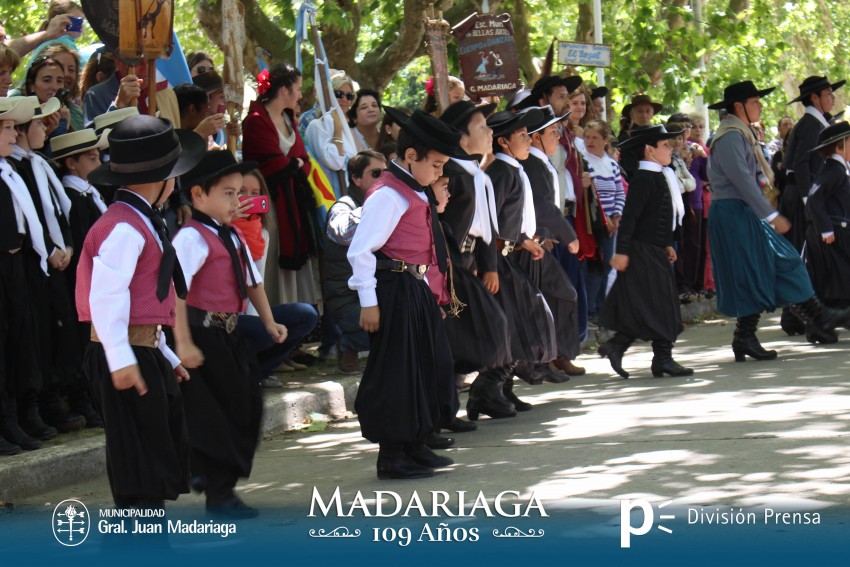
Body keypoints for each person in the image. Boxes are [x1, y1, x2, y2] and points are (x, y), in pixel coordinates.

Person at [77, 114, 205, 508]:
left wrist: (163, 353)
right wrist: (120, 360)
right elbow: (107, 298)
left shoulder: (139, 219)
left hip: (140, 349)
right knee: (138, 466)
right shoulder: (123, 227)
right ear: (161, 179)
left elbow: (140, 301)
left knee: (154, 455)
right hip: (123, 352)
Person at [346, 109, 473, 479]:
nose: (438, 173)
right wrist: (369, 303)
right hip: (393, 288)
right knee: (398, 371)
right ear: (412, 155)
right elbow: (361, 250)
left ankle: (415, 442)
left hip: (414, 287)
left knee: (424, 366)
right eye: (435, 165)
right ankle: (392, 454)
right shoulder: (388, 195)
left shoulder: (413, 190)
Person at [171, 150, 285, 517]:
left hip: (229, 334)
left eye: (239, 193)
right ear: (198, 195)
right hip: (202, 335)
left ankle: (210, 475)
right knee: (216, 416)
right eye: (228, 193)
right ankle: (218, 491)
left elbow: (253, 282)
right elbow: (175, 291)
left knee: (246, 404)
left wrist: (268, 322)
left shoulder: (232, 236)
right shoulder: (191, 238)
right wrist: (183, 343)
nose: (237, 201)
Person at [706, 80, 850, 360]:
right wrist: (772, 215)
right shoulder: (730, 136)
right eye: (755, 101)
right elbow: (742, 181)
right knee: (751, 269)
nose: (760, 105)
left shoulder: (741, 133)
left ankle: (816, 316)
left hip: (744, 210)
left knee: (786, 260)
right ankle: (747, 336)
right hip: (733, 211)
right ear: (739, 106)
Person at [598, 125, 692, 379]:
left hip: (654, 248)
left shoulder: (657, 176)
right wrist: (622, 251)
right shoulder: (643, 179)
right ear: (649, 150)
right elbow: (630, 218)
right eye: (665, 145)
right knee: (659, 303)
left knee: (656, 302)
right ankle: (660, 357)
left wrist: (666, 243)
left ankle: (623, 347)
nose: (671, 149)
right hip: (641, 251)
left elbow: (657, 217)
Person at [242, 63, 318, 305]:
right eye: (298, 88)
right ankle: (272, 310)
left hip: (293, 201)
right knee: (271, 250)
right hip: (267, 203)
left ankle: (297, 309)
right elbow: (271, 164)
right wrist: (293, 164)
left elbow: (303, 161)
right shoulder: (255, 120)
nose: (300, 95)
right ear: (284, 90)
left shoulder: (287, 118)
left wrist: (292, 164)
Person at [520, 105, 584, 377]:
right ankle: (546, 357)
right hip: (532, 244)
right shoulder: (532, 165)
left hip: (543, 240)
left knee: (557, 295)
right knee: (556, 295)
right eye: (552, 132)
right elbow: (541, 205)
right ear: (535, 137)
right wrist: (564, 234)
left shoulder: (540, 163)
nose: (558, 136)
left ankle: (555, 355)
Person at [0, 97, 46, 455]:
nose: (14, 134)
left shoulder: (9, 171)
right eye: (6, 128)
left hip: (15, 265)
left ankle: (14, 418)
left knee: (17, 339)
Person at [323, 150, 386, 374]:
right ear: (356, 179)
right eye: (376, 173)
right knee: (394, 321)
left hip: (375, 293)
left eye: (387, 174)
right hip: (347, 300)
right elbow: (342, 232)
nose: (384, 179)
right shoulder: (343, 206)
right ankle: (348, 344)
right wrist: (377, 207)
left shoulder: (386, 205)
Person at [803, 122, 850, 322]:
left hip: (838, 230)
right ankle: (825, 321)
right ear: (839, 147)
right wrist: (825, 228)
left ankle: (825, 323)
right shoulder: (834, 170)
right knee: (837, 277)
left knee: (837, 279)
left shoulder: (838, 168)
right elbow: (814, 197)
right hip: (834, 232)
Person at [581, 119, 625, 320]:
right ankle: (589, 310)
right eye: (587, 137)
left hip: (610, 225)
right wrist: (603, 218)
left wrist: (616, 216)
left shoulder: (612, 165)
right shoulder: (584, 162)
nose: (590, 141)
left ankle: (601, 308)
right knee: (593, 266)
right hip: (594, 223)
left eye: (595, 138)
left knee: (607, 265)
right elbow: (591, 194)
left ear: (605, 140)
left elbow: (619, 192)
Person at [303, 72, 358, 199]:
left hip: (347, 195)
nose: (344, 99)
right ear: (329, 96)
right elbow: (335, 162)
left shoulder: (345, 129)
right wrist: (337, 129)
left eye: (349, 96)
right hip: (327, 196)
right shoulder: (316, 126)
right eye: (339, 94)